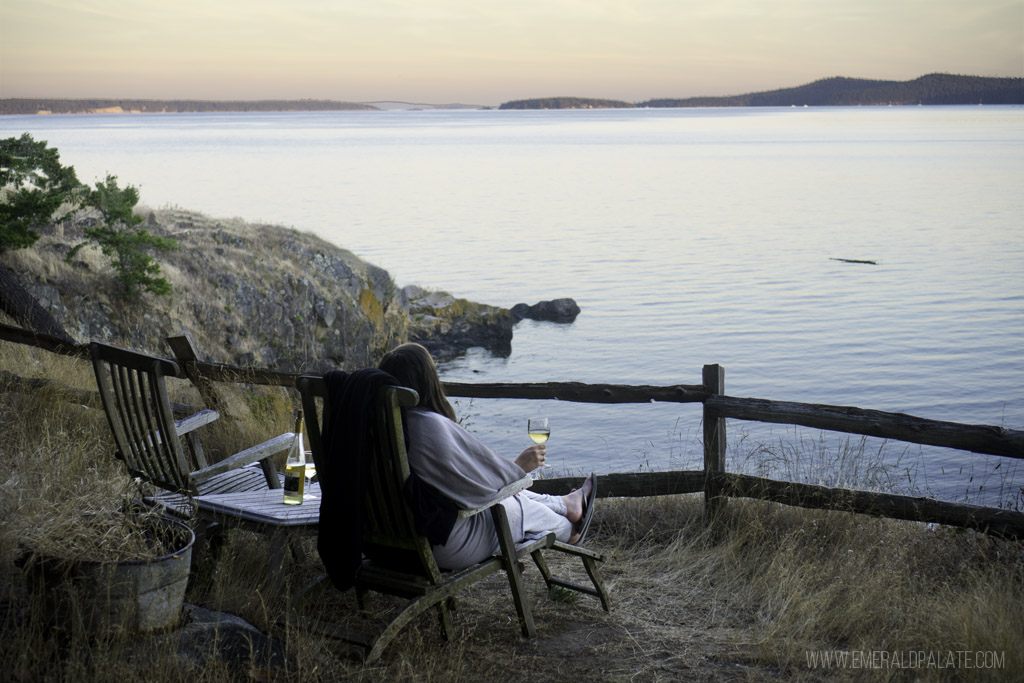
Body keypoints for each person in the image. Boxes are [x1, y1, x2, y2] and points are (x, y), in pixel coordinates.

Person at [378, 342, 595, 571]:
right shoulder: (426, 426)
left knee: (511, 495)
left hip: (387, 544)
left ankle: (564, 504)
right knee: (513, 504)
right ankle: (570, 532)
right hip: (438, 546)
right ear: (429, 381)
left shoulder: (377, 426)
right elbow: (483, 490)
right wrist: (519, 466)